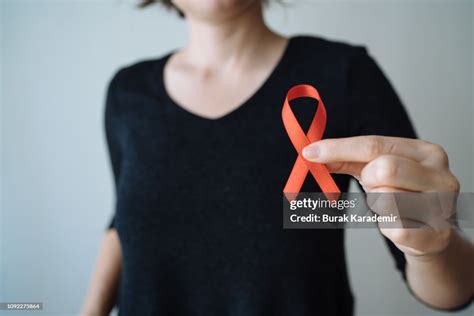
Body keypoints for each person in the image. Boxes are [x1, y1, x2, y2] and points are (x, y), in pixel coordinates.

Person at [80, 1, 474, 315]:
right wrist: (92, 309)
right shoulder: (127, 93)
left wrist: (432, 245)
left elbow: (452, 288)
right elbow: (124, 220)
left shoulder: (343, 73)